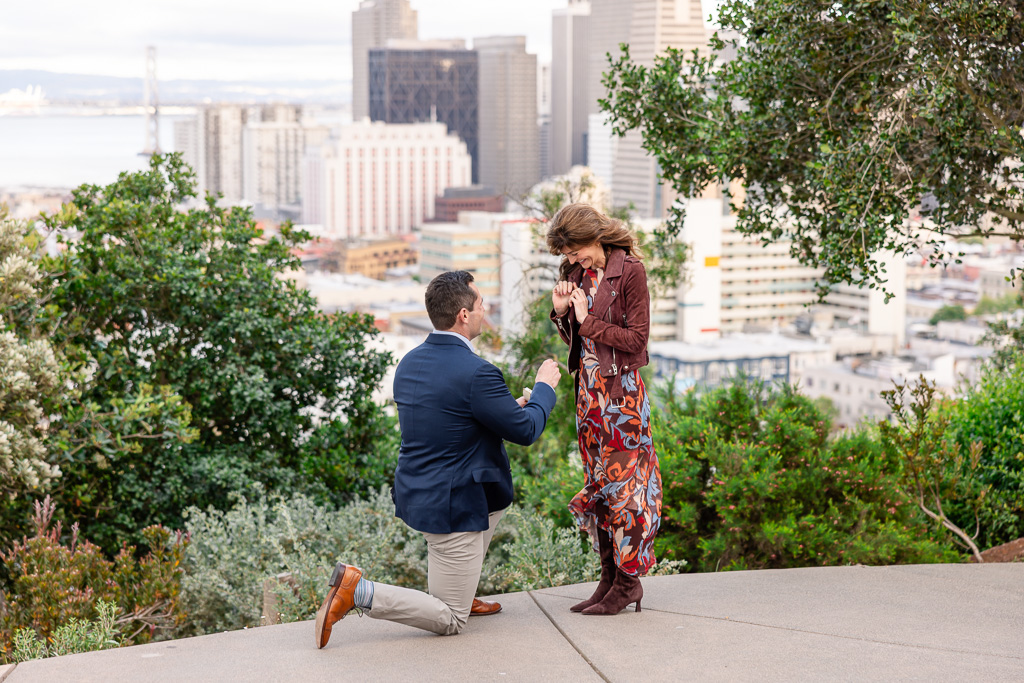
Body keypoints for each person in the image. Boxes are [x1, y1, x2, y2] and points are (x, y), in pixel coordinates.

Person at [315, 270, 562, 648]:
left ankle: (462, 588)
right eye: (481, 304)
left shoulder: (410, 362)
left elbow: (446, 423)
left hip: (420, 489)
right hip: (453, 503)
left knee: (494, 508)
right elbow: (525, 432)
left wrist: (507, 408)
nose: (485, 310)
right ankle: (358, 592)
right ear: (464, 315)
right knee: (450, 618)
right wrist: (544, 388)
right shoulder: (478, 372)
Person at [547, 203, 663, 615]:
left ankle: (629, 583)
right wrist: (562, 316)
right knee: (600, 487)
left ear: (593, 236)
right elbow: (581, 344)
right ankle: (609, 579)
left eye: (575, 252)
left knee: (626, 490)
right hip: (588, 397)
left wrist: (586, 318)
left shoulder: (629, 270)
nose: (573, 261)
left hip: (621, 399)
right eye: (568, 256)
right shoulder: (577, 274)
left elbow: (637, 341)